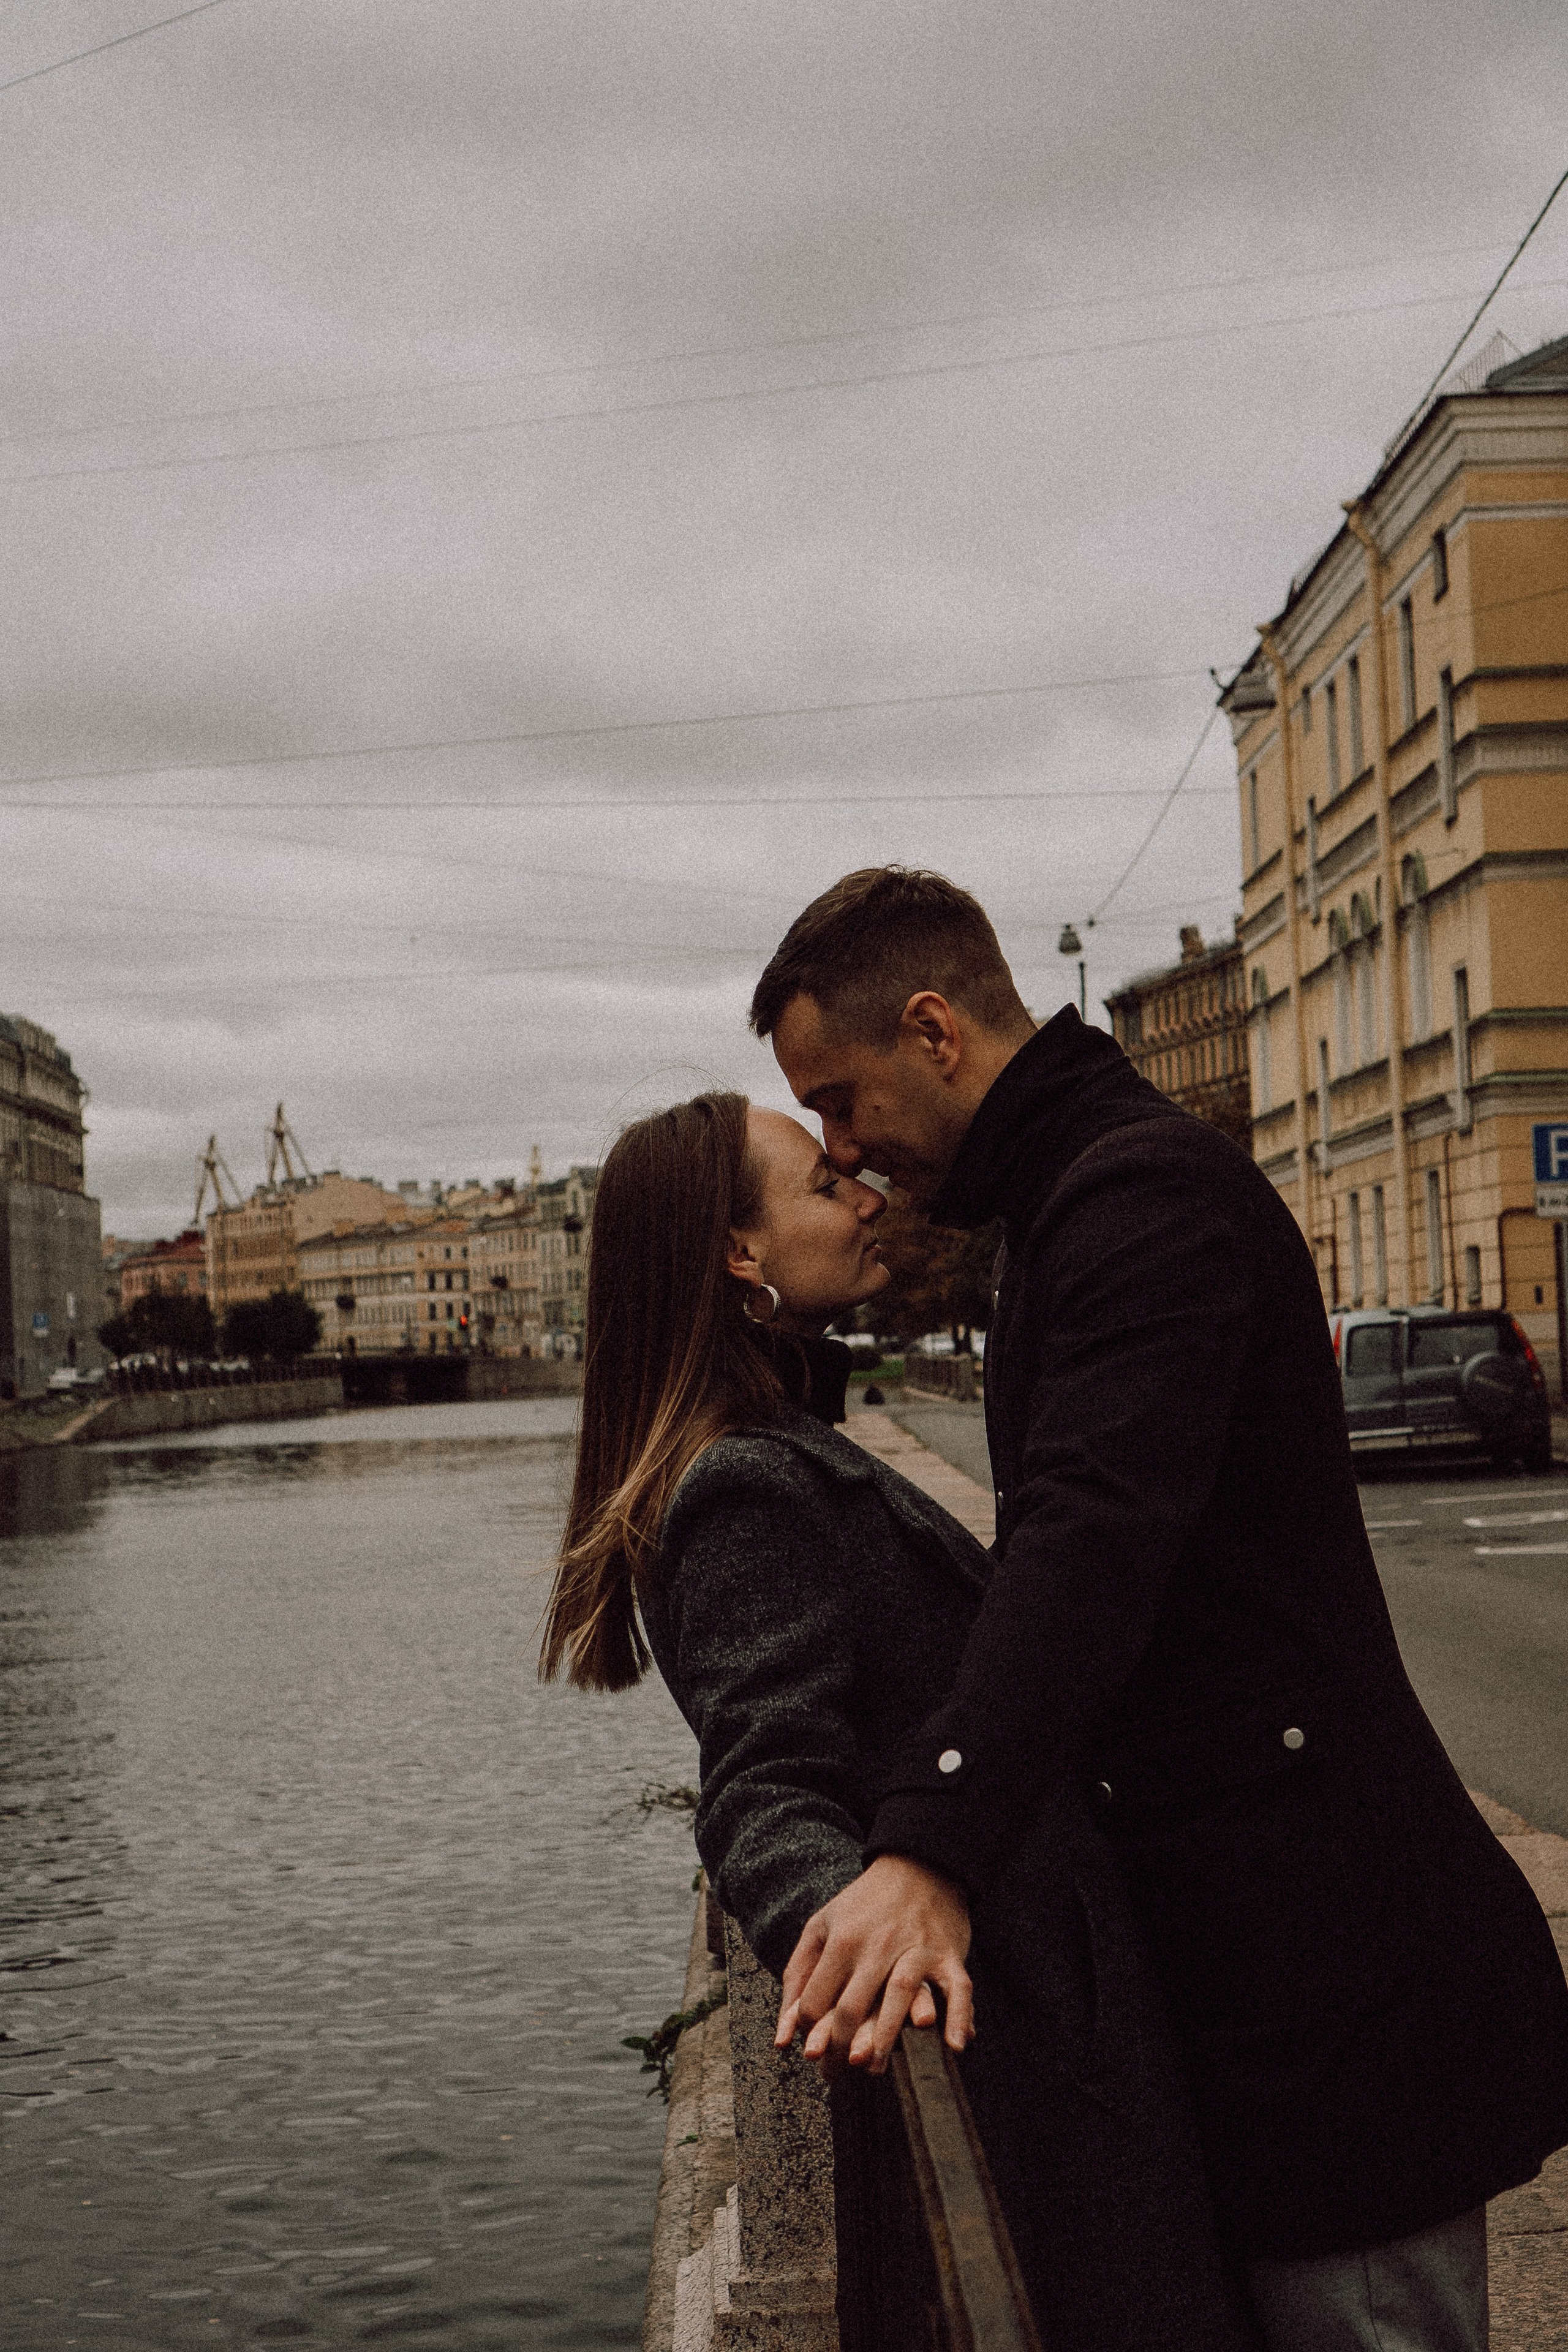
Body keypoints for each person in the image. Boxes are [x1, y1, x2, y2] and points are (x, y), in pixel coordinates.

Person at [748, 864, 1568, 2351]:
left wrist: (929, 1844)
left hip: (1335, 1993)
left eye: (838, 1098)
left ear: (933, 1030)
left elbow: (1089, 1540)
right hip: (1271, 1986)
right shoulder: (1078, 1188)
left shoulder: (1133, 1192)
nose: (843, 1148)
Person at [540, 1090, 1256, 2349]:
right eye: (823, 1184)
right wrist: (848, 1922)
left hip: (1045, 2007)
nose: (864, 1194)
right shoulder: (741, 1487)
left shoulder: (771, 1443)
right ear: (737, 1254)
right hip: (1026, 2039)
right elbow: (759, 1785)